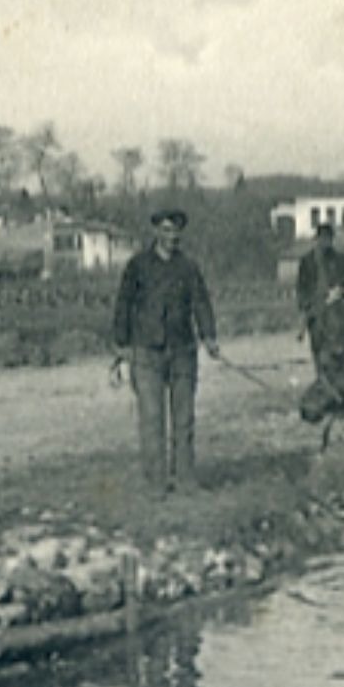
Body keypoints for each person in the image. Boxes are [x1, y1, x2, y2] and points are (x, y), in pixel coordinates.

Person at [112, 207, 219, 495]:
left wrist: (209, 336)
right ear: (156, 232)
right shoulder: (137, 266)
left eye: (176, 231)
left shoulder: (188, 267)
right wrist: (121, 344)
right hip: (147, 352)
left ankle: (185, 479)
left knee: (184, 419)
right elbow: (123, 304)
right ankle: (156, 482)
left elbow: (201, 302)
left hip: (183, 350)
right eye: (166, 230)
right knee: (152, 419)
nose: (172, 236)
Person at [295, 223, 344, 375]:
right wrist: (305, 305)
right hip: (316, 306)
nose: (325, 242)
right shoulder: (307, 261)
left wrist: (342, 291)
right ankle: (321, 375)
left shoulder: (340, 259)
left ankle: (342, 375)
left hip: (337, 305)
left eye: (328, 239)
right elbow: (301, 286)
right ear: (316, 239)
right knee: (317, 343)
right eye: (322, 238)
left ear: (332, 240)